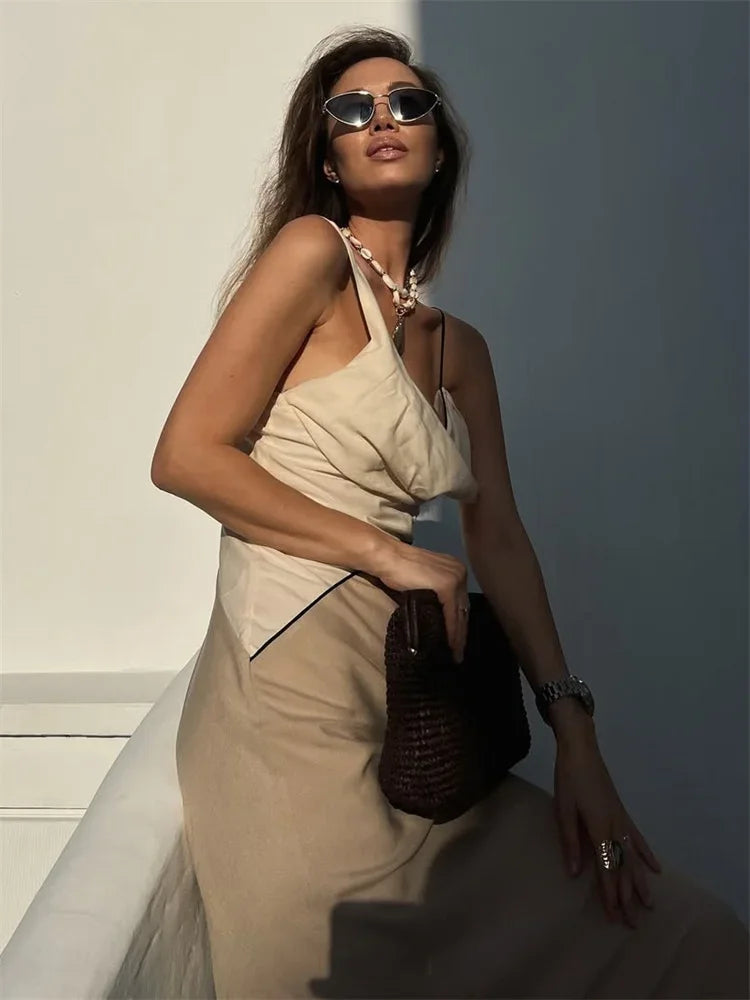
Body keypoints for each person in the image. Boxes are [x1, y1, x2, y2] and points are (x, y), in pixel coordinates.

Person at [151, 26, 749, 1000]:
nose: (381, 119)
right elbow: (185, 455)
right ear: (327, 155)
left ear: (439, 145)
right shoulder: (310, 254)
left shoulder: (457, 346)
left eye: (406, 104)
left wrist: (579, 738)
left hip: (404, 701)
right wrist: (388, 556)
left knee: (687, 934)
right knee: (321, 967)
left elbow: (501, 539)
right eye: (353, 110)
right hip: (288, 690)